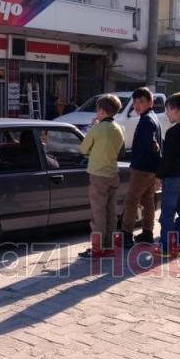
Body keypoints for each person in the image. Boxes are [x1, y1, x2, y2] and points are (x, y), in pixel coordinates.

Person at [78, 94, 125, 259]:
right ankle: (109, 246)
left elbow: (84, 149)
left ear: (102, 111)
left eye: (97, 110)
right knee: (111, 213)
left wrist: (92, 128)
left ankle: (97, 249)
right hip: (113, 173)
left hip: (98, 174)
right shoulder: (119, 128)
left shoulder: (97, 128)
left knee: (98, 213)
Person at [156, 92, 180, 258]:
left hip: (172, 178)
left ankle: (165, 247)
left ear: (176, 111)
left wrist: (159, 176)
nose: (166, 114)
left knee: (167, 213)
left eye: (168, 110)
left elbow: (167, 160)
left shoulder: (172, 133)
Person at [121, 87, 161, 248]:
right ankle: (147, 232)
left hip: (142, 168)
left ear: (150, 102)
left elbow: (152, 143)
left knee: (131, 201)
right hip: (150, 168)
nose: (137, 105)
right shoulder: (152, 117)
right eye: (135, 102)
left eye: (141, 102)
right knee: (148, 200)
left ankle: (126, 234)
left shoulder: (146, 120)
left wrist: (153, 146)